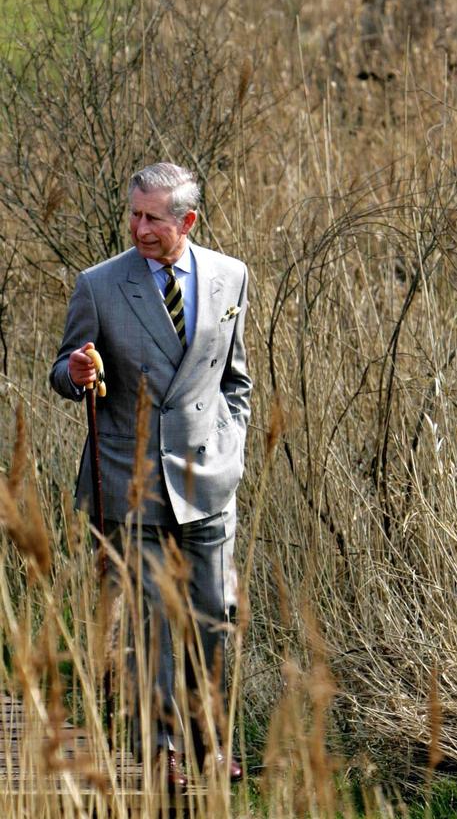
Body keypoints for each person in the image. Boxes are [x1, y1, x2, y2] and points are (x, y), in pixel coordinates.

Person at [50, 162, 252, 791]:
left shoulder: (230, 276)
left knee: (214, 612)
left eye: (153, 218)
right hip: (127, 477)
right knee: (149, 623)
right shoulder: (98, 284)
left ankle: (212, 743)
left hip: (207, 479)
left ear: (186, 221)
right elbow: (62, 370)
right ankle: (163, 751)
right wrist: (77, 373)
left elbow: (236, 380)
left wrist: (231, 441)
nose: (139, 228)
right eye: (133, 214)